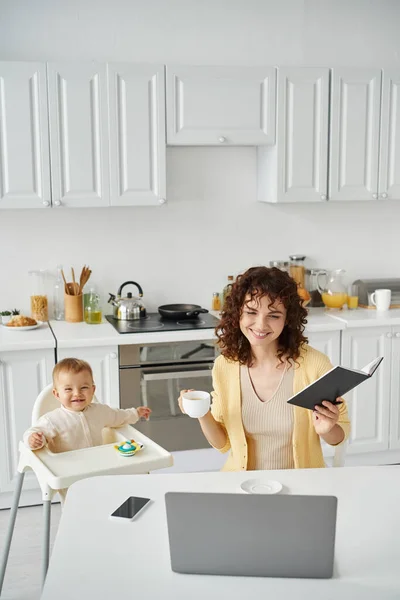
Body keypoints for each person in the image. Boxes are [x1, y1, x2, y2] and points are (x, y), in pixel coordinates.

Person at [179, 266, 350, 471]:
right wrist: (201, 412)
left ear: (288, 320)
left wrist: (327, 429)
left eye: (274, 315)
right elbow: (222, 444)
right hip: (242, 485)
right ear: (238, 314)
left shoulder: (314, 365)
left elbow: (339, 437)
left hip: (302, 486)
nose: (261, 325)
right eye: (251, 312)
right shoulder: (225, 366)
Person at [23, 358, 151, 453]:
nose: (77, 394)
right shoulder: (52, 420)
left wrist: (136, 413)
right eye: (68, 389)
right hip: (69, 472)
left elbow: (118, 416)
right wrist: (33, 440)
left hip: (97, 466)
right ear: (57, 394)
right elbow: (34, 432)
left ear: (93, 390)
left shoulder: (100, 411)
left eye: (84, 387)